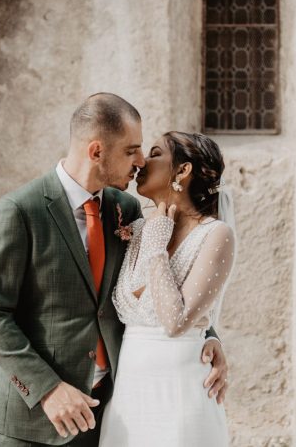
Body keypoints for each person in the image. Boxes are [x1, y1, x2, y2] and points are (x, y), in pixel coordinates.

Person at [0, 93, 229, 447]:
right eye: (131, 150)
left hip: (107, 418)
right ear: (96, 152)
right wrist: (48, 390)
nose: (139, 162)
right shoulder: (20, 210)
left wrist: (207, 336)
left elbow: (159, 288)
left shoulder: (127, 211)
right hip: (31, 424)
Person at [99, 131, 236, 446]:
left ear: (183, 171)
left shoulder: (215, 235)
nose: (144, 161)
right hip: (128, 399)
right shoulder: (136, 229)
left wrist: (157, 248)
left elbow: (176, 322)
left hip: (179, 398)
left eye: (156, 152)